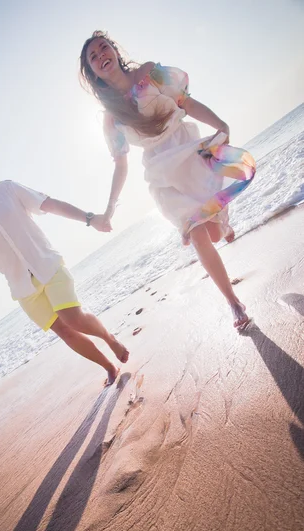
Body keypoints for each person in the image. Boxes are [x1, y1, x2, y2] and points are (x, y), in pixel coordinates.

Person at [79, 31, 256, 330]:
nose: (101, 57)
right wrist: (109, 209)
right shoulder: (110, 118)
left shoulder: (149, 72)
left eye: (103, 48)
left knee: (212, 231)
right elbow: (120, 165)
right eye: (93, 58)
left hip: (189, 151)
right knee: (199, 233)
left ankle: (223, 226)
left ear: (114, 49)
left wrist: (220, 124)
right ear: (92, 72)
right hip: (162, 174)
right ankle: (233, 302)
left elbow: (185, 102)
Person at [0, 149, 129, 384]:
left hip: (48, 265)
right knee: (64, 331)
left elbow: (49, 204)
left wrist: (89, 218)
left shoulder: (7, 189)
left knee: (72, 317)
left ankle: (109, 338)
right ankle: (108, 367)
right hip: (23, 289)